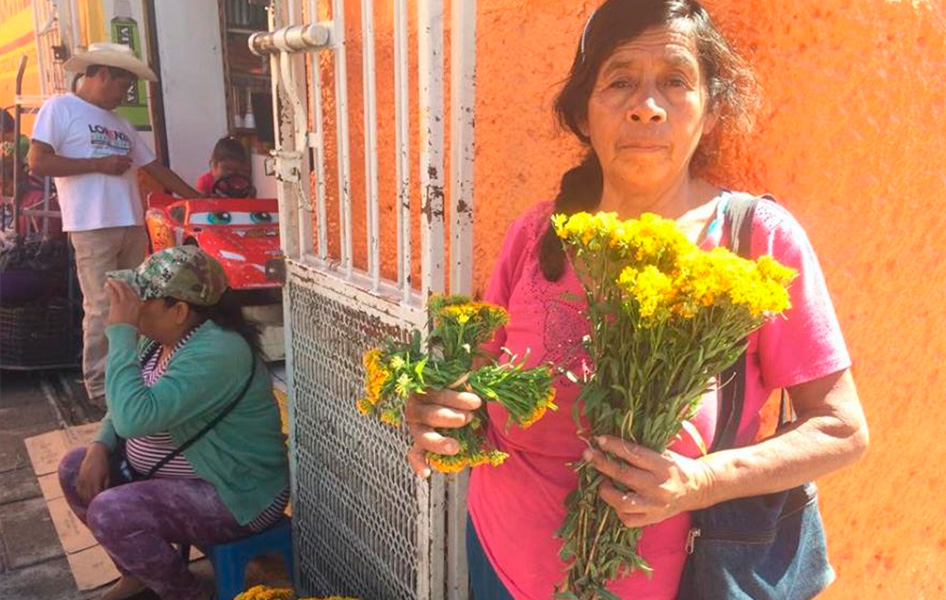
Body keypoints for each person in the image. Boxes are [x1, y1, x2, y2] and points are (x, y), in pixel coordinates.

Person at [403, 1, 869, 598]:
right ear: (583, 110)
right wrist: (441, 413)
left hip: (672, 580)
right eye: (619, 80)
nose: (646, 106)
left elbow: (841, 429)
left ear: (712, 105)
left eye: (675, 82)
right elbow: (483, 380)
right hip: (499, 556)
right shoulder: (539, 232)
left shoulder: (755, 239)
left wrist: (699, 480)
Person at [57, 246, 289, 600]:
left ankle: (185, 594)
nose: (132, 309)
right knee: (76, 467)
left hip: (235, 494)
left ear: (179, 310)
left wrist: (119, 333)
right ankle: (138, 573)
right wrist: (101, 444)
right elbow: (124, 400)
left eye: (142, 301)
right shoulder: (161, 337)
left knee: (112, 512)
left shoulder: (217, 351)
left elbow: (134, 420)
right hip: (178, 480)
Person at [27, 42, 201, 404]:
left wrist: (199, 199)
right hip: (92, 225)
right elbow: (38, 162)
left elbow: (155, 168)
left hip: (129, 223)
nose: (126, 93)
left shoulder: (120, 122)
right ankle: (100, 386)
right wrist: (98, 165)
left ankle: (133, 374)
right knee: (103, 306)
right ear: (102, 74)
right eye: (124, 85)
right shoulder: (61, 108)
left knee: (136, 303)